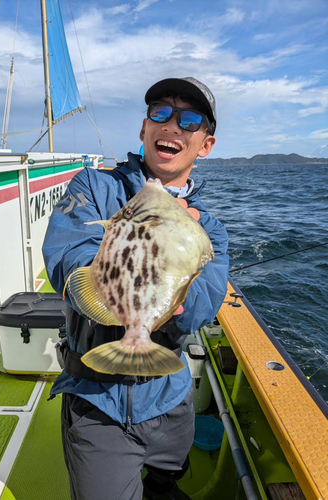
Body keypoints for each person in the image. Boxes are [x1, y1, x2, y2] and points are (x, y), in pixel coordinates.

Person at [42, 77, 229, 500]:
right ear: (144, 129)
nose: (172, 125)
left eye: (190, 119)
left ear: (205, 144)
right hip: (97, 398)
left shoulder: (209, 228)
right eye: (160, 112)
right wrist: (135, 253)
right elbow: (67, 260)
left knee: (168, 479)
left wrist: (176, 254)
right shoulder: (92, 186)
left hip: (170, 398)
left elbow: (201, 308)